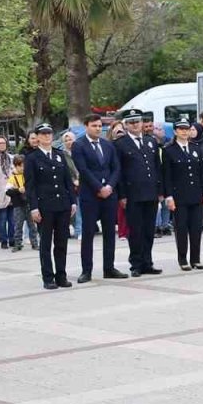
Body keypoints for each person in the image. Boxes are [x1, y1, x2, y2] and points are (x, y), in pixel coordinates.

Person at [71, 113, 127, 283]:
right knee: (88, 233)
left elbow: (116, 168)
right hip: (90, 195)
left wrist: (109, 186)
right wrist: (99, 187)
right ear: (86, 126)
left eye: (99, 126)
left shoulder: (107, 145)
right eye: (94, 125)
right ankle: (86, 270)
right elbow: (83, 169)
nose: (97, 128)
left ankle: (109, 268)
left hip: (109, 195)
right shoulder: (78, 145)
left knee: (110, 232)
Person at [24, 123, 78, 290]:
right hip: (44, 206)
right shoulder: (32, 158)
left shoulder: (59, 155)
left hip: (62, 204)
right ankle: (48, 277)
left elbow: (67, 181)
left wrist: (72, 201)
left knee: (62, 242)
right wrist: (33, 207)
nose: (47, 136)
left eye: (49, 133)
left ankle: (61, 275)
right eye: (43, 134)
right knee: (46, 243)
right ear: (38, 137)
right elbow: (30, 186)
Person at [113, 109, 164, 277]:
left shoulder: (151, 141)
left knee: (149, 230)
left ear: (142, 123)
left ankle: (147, 262)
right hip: (133, 194)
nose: (135, 125)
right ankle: (136, 263)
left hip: (151, 193)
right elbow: (118, 172)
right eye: (131, 122)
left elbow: (157, 167)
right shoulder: (120, 144)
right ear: (126, 125)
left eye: (138, 121)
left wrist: (160, 190)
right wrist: (122, 195)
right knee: (135, 231)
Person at [161, 118, 203, 271]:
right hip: (179, 196)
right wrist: (169, 196)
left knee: (196, 228)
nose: (184, 131)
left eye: (186, 128)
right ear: (175, 131)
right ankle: (183, 259)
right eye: (181, 129)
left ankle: (195, 259)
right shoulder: (169, 150)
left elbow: (202, 173)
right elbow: (167, 176)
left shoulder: (196, 148)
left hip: (196, 194)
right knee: (181, 228)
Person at [5, 156, 30, 253]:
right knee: (18, 225)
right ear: (16, 166)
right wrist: (17, 190)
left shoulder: (27, 176)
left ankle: (35, 242)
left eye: (24, 166)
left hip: (28, 203)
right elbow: (7, 191)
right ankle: (17, 244)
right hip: (17, 205)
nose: (23, 168)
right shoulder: (12, 178)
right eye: (21, 166)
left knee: (32, 225)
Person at [60, 130, 81, 240]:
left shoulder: (80, 151)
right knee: (75, 208)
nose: (68, 142)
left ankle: (81, 229)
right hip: (70, 185)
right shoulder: (62, 155)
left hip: (83, 182)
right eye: (66, 140)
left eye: (70, 139)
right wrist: (73, 181)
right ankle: (78, 230)